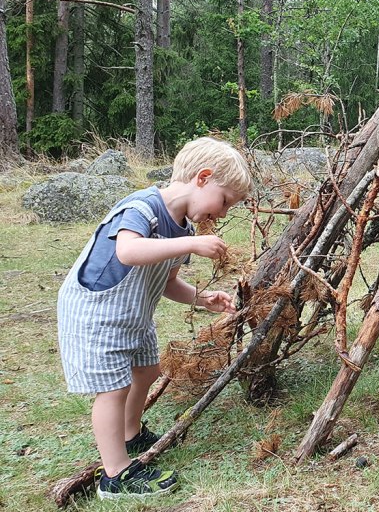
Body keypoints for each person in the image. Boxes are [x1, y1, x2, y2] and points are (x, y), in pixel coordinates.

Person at [57, 137, 251, 499]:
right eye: (224, 201)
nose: (222, 213)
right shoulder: (143, 207)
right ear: (203, 178)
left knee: (147, 369)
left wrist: (202, 298)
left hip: (133, 313)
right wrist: (191, 245)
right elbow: (129, 251)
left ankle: (131, 434)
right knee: (112, 390)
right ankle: (115, 475)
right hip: (96, 311)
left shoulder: (183, 228)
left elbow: (168, 282)